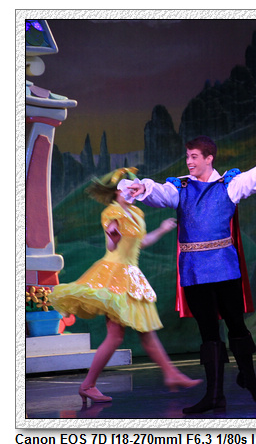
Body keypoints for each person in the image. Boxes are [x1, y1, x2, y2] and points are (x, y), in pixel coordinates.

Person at [122, 108, 256, 414]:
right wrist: (143, 188)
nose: (189, 161)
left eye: (194, 156)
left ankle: (249, 377)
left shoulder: (229, 185)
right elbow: (160, 193)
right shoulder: (180, 187)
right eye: (187, 156)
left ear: (209, 158)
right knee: (208, 331)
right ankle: (214, 395)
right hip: (194, 271)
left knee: (236, 324)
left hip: (223, 267)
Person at [50, 168, 202, 405]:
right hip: (114, 275)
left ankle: (170, 374)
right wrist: (113, 236)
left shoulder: (137, 213)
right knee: (116, 336)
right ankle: (88, 385)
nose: (132, 192)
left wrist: (162, 229)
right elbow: (112, 246)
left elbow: (141, 243)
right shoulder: (112, 212)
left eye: (134, 188)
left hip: (132, 276)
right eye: (127, 189)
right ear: (118, 191)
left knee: (143, 332)